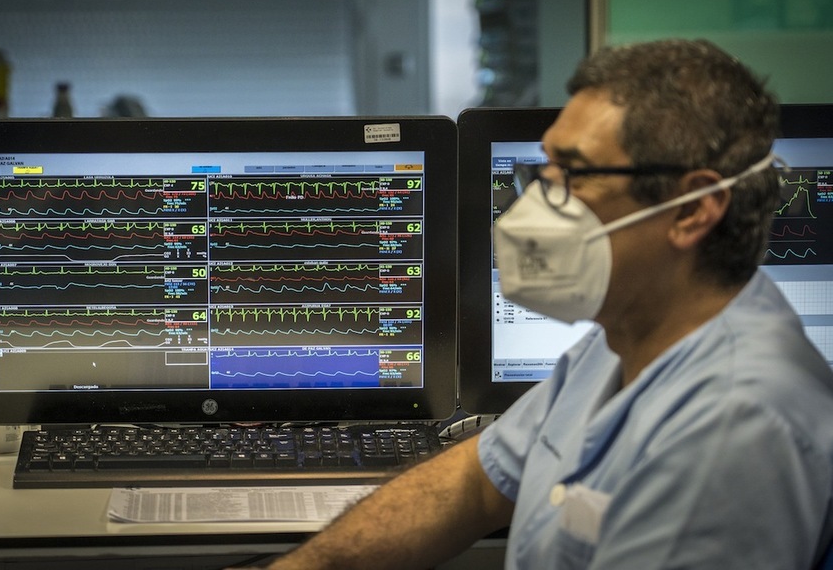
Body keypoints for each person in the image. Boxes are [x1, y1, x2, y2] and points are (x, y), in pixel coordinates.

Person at [247, 39, 833, 569]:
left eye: (573, 176)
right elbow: (475, 485)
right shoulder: (622, 341)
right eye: (541, 169)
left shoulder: (734, 428)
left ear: (689, 211)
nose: (534, 206)